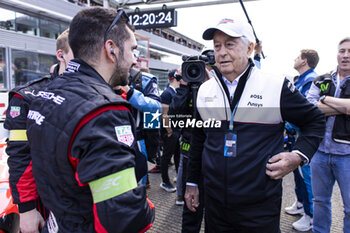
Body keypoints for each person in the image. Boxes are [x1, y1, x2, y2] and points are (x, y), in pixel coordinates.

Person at [184, 18, 325, 232]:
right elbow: (198, 139)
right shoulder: (204, 90)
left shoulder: (276, 86)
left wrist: (297, 156)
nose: (221, 52)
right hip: (214, 206)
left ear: (250, 48)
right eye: (217, 45)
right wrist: (192, 182)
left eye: (229, 44)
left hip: (259, 207)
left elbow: (315, 120)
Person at [26, 7, 154, 232]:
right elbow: (124, 216)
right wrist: (148, 209)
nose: (135, 59)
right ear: (111, 49)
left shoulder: (46, 92)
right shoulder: (104, 111)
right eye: (133, 49)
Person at [4, 29, 73, 233]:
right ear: (61, 55)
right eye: (79, 54)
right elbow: (19, 155)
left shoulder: (102, 94)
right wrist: (26, 210)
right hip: (47, 201)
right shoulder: (27, 97)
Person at [307, 37, 350, 233]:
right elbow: (309, 108)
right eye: (342, 51)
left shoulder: (323, 88)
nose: (346, 55)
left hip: (347, 155)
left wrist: (325, 99)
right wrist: (343, 107)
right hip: (320, 152)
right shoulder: (322, 79)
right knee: (320, 201)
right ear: (337, 54)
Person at [284, 49, 319, 231]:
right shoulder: (300, 80)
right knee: (298, 176)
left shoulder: (311, 80)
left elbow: (303, 110)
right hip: (294, 134)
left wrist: (289, 126)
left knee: (307, 178)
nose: (294, 59)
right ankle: (300, 204)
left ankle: (311, 216)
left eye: (297, 57)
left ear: (304, 61)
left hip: (302, 134)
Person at [159, 70, 181, 192]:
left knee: (177, 155)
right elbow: (164, 114)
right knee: (167, 156)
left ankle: (178, 175)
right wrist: (169, 131)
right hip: (171, 131)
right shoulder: (167, 93)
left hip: (176, 130)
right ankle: (165, 181)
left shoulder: (176, 92)